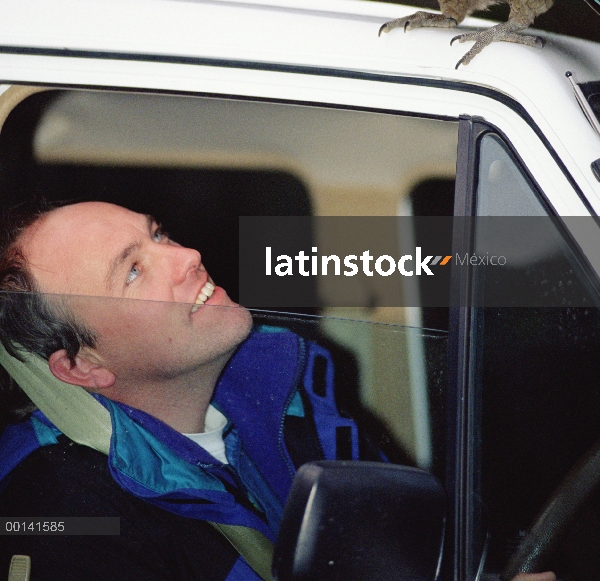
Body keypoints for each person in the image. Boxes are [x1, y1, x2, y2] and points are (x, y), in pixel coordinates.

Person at [0, 202, 555, 581]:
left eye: (158, 234)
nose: (187, 255)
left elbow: (415, 551)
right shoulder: (55, 517)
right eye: (133, 273)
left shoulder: (287, 395)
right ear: (82, 366)